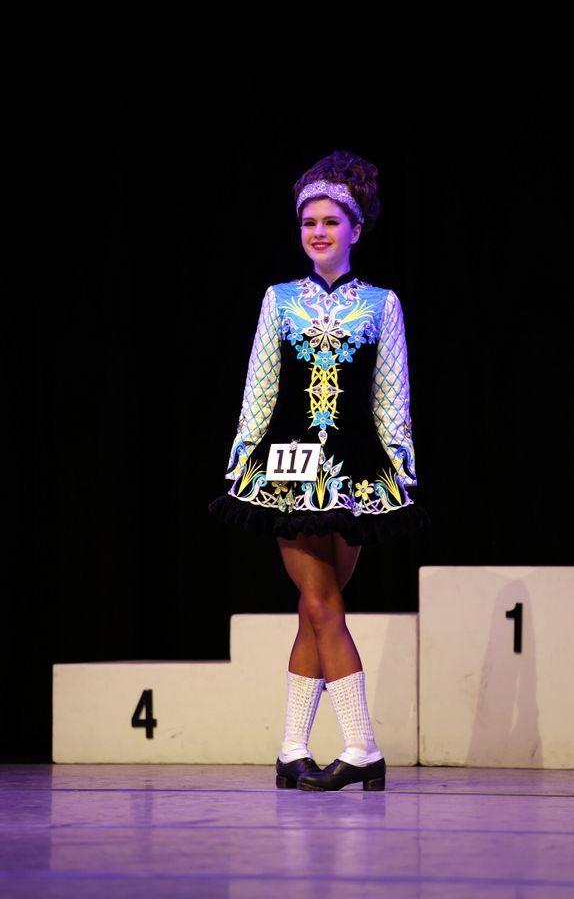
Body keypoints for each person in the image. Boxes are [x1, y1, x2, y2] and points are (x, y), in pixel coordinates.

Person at [209, 149, 427, 791]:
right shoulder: (279, 300)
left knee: (315, 609)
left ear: (356, 229)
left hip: (356, 473)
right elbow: (260, 387)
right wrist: (243, 456)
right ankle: (362, 748)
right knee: (323, 602)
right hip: (290, 467)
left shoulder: (382, 303)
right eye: (309, 222)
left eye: (332, 222)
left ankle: (290, 750)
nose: (319, 232)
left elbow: (391, 396)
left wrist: (400, 465)